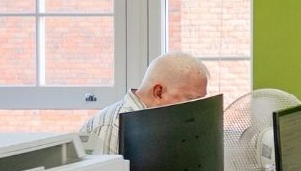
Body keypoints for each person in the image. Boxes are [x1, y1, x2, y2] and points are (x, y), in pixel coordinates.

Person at [77, 52, 210, 156]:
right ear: (158, 92)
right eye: (191, 99)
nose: (198, 109)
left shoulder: (161, 121)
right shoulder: (113, 127)